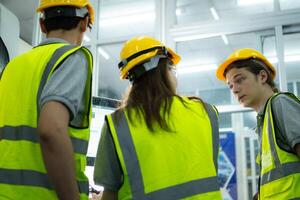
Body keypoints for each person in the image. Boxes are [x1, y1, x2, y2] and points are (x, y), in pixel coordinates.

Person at [93, 36, 222, 200]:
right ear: (164, 70)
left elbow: (110, 193)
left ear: (132, 79)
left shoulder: (118, 123)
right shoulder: (205, 112)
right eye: (171, 69)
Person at [0, 0, 94, 199]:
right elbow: (51, 129)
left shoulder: (11, 66)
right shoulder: (72, 57)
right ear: (84, 23)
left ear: (42, 25)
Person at [216, 48, 300, 199]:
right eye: (230, 85)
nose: (234, 89)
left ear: (262, 76)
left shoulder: (280, 104)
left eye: (239, 79)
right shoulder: (265, 121)